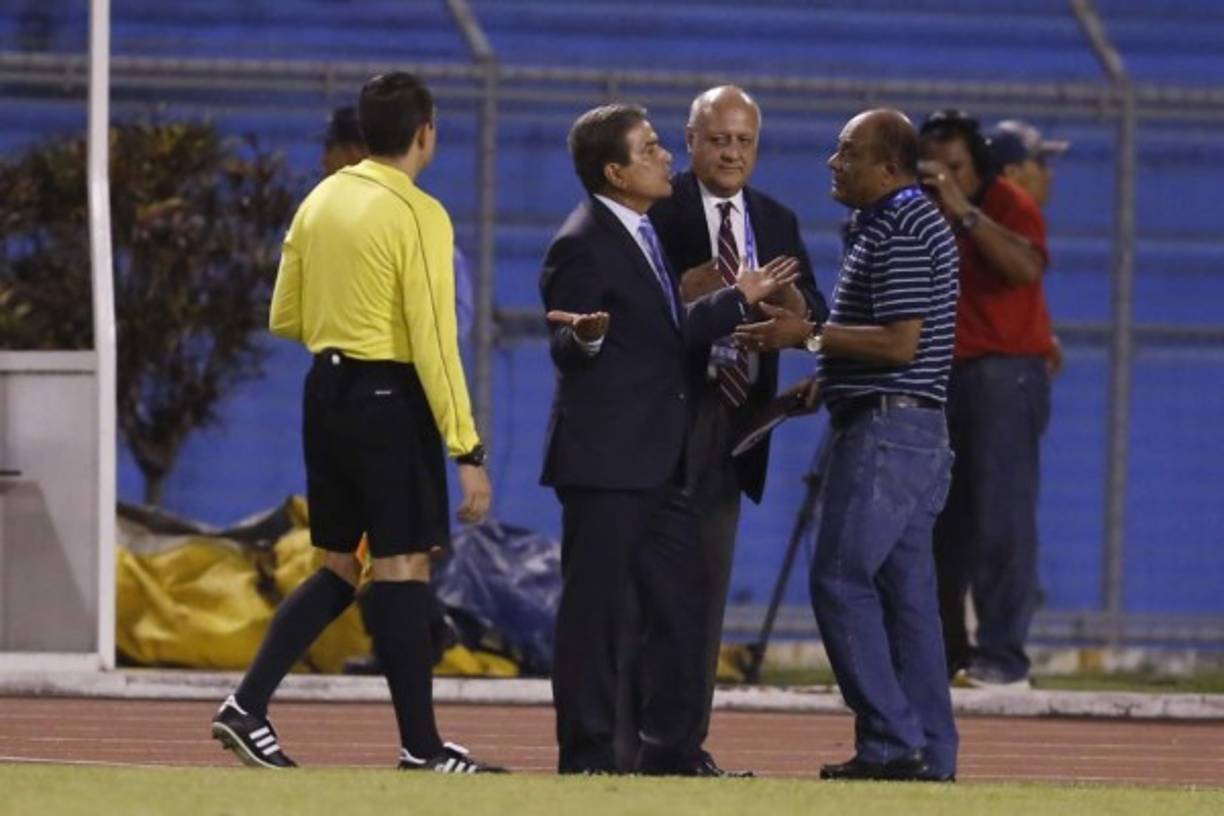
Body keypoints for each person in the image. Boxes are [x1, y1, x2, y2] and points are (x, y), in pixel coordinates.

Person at [210, 72, 502, 774]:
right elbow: (435, 340)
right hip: (386, 397)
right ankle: (423, 750)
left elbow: (284, 315)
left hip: (326, 392)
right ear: (426, 131)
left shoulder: (320, 199)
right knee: (403, 566)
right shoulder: (419, 213)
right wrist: (467, 447)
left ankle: (246, 708)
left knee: (341, 565)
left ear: (366, 133)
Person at [540, 103, 798, 775]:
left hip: (661, 464)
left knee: (686, 605)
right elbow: (566, 341)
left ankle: (672, 753)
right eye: (651, 148)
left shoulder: (643, 231)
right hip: (606, 461)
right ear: (615, 171)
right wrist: (583, 339)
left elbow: (668, 334)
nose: (665, 159)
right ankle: (588, 757)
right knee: (594, 618)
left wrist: (740, 297)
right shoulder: (582, 239)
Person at [738, 108, 959, 782]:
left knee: (837, 578)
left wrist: (805, 338)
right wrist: (827, 378)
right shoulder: (896, 223)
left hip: (888, 435)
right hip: (910, 429)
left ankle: (894, 743)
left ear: (887, 167)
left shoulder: (900, 227)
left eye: (847, 152)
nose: (833, 163)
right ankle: (930, 753)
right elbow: (884, 339)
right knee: (908, 600)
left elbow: (899, 342)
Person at [621, 85, 827, 775]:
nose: (732, 151)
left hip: (733, 426)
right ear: (690, 141)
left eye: (743, 141)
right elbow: (633, 306)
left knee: (705, 596)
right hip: (660, 421)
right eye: (719, 139)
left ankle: (681, 748)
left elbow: (813, 315)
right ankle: (622, 742)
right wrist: (692, 291)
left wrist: (796, 313)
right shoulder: (659, 208)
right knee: (640, 595)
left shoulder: (777, 219)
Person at [919, 109, 1055, 689]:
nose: (944, 176)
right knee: (941, 526)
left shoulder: (1004, 203)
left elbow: (1024, 267)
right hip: (942, 376)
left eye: (956, 166)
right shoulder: (919, 210)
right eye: (935, 166)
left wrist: (965, 211)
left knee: (1003, 518)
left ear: (978, 165)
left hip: (1003, 378)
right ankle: (951, 654)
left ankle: (1003, 656)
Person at [988, 118, 1070, 376]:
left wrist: (1041, 339)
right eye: (1040, 163)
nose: (1049, 174)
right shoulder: (1015, 217)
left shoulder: (987, 216)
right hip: (1001, 368)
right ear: (1013, 173)